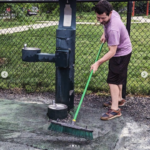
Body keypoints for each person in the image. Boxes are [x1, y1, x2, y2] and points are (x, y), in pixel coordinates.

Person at [90, 0, 132, 120]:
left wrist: (98, 62)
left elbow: (112, 52)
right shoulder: (113, 14)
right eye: (98, 18)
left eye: (103, 18)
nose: (101, 20)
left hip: (120, 53)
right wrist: (104, 34)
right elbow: (105, 25)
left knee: (112, 80)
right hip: (125, 50)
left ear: (110, 13)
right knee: (118, 77)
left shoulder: (113, 29)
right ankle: (119, 99)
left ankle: (115, 109)